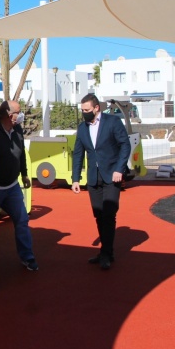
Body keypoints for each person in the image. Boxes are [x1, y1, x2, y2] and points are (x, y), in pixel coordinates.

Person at [71, 93, 131, 270]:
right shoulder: (82, 128)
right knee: (98, 214)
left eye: (87, 110)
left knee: (109, 214)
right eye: (82, 110)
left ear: (96, 108)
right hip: (93, 177)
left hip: (112, 176)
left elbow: (125, 145)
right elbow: (78, 153)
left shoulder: (113, 122)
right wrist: (75, 179)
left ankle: (106, 253)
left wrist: (119, 169)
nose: (84, 113)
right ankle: (107, 251)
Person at [0, 100, 37, 271]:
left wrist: (24, 173)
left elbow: (21, 152)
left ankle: (27, 257)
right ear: (10, 116)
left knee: (22, 220)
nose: (22, 114)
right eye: (19, 112)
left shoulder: (17, 129)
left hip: (12, 186)